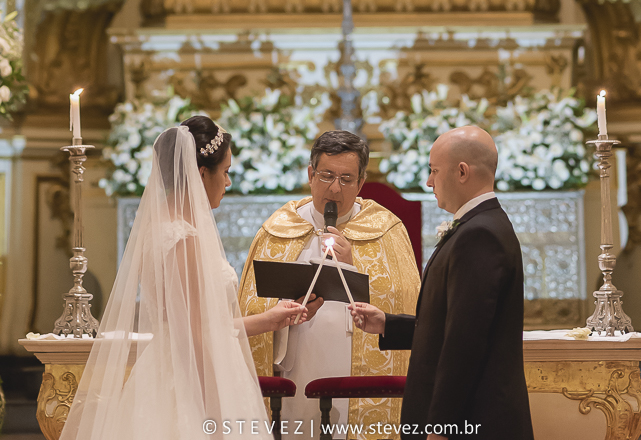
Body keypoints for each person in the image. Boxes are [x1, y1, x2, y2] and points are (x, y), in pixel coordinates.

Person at [61, 117, 310, 440]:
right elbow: (195, 336)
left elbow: (203, 325)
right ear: (202, 174)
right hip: (191, 381)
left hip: (169, 368)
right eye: (225, 171)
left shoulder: (161, 229)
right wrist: (214, 413)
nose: (228, 182)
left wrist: (270, 320)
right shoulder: (182, 238)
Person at [350, 126, 534, 440]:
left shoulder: (479, 234)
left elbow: (465, 343)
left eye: (434, 170)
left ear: (462, 172)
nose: (429, 181)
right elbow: (454, 326)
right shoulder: (481, 225)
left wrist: (440, 427)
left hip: (470, 423)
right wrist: (388, 325)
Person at [239, 130, 421, 436]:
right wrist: (284, 314)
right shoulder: (278, 229)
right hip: (297, 367)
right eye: (326, 176)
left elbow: (403, 303)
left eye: (347, 179)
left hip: (358, 376)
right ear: (311, 175)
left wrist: (354, 265)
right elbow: (251, 306)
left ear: (361, 183)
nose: (335, 188)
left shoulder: (386, 230)